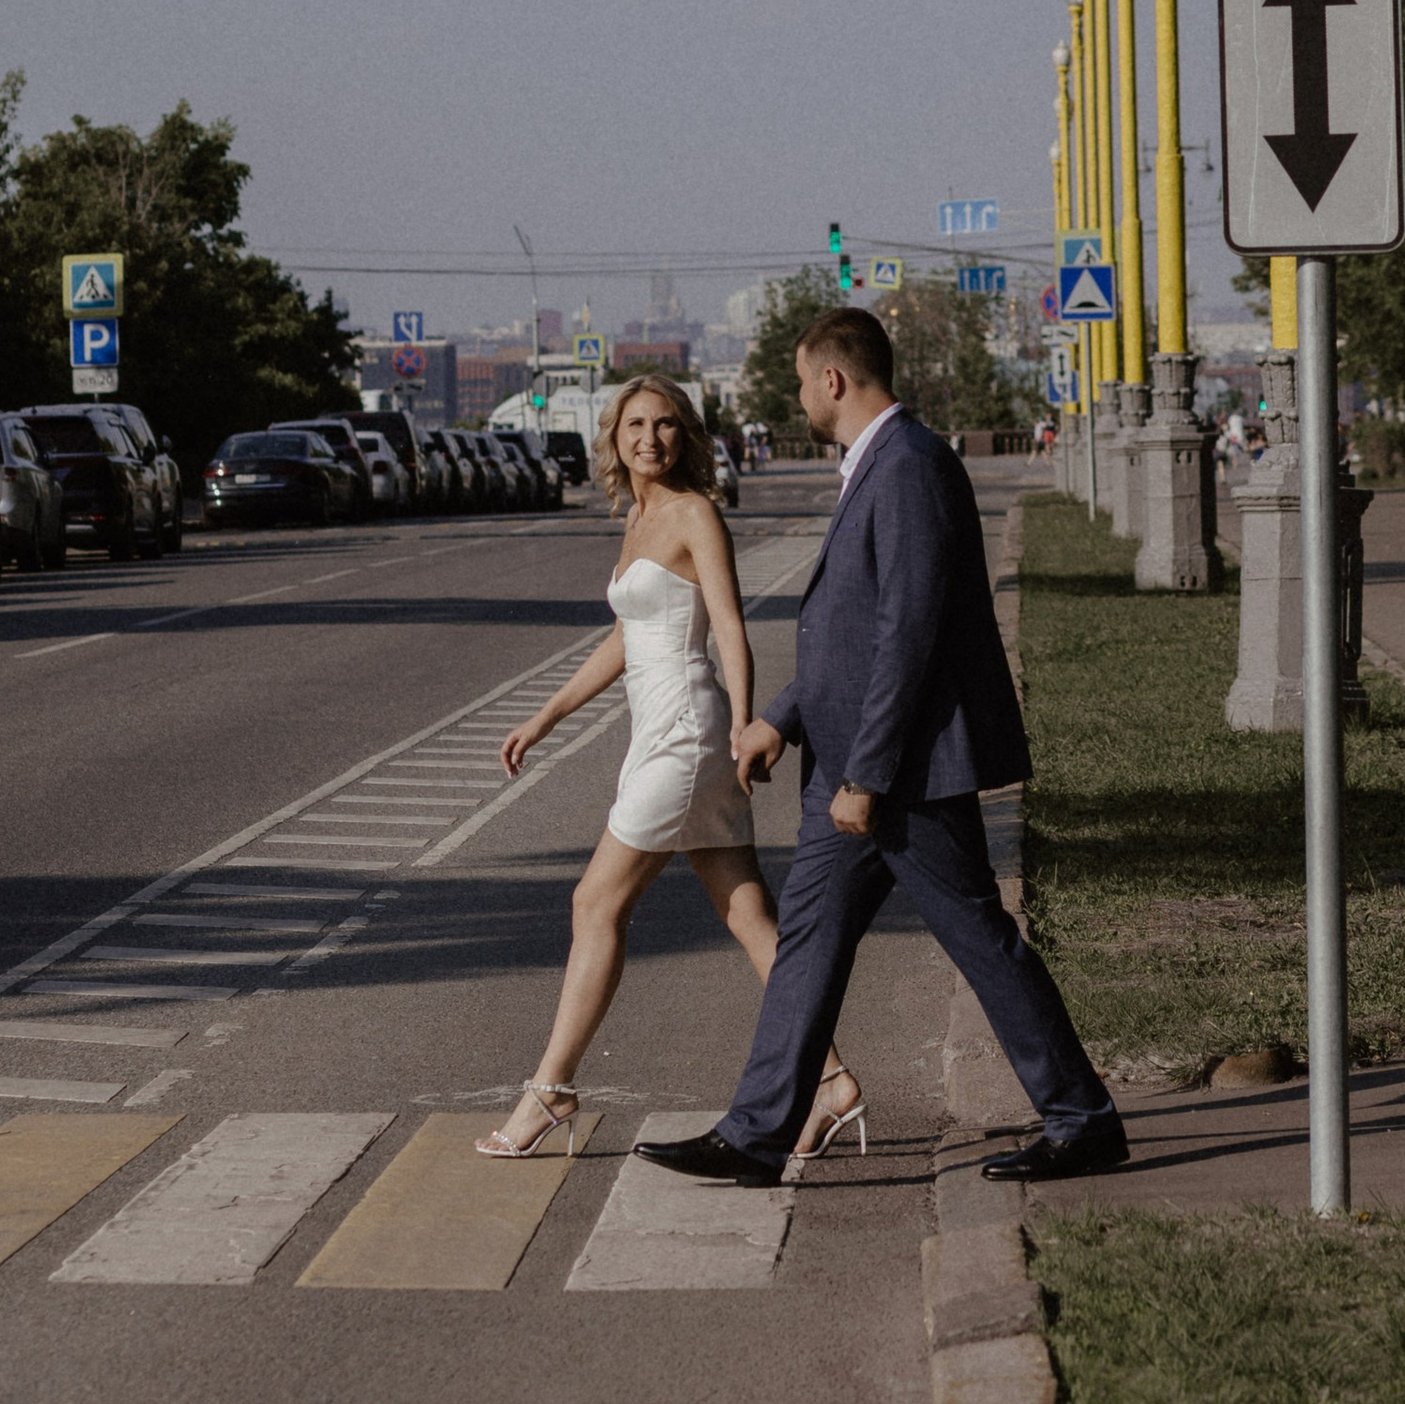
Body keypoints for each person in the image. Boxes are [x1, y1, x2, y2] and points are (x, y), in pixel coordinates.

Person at [638, 306, 1126, 1192]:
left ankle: (1083, 1119)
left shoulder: (906, 468)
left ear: (833, 380)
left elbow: (908, 635)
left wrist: (866, 774)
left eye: (799, 381)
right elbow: (849, 638)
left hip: (899, 772)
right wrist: (779, 720)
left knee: (980, 938)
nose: (797, 397)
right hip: (853, 766)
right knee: (807, 948)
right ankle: (756, 1134)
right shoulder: (878, 465)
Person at [473, 375, 862, 1163]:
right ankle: (831, 1080)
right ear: (614, 437)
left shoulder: (692, 513)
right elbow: (628, 638)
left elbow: (727, 626)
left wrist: (748, 728)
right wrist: (544, 718)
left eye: (666, 426)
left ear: (685, 436)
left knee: (594, 903)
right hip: (656, 734)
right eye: (636, 425)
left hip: (689, 737)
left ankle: (550, 1088)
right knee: (749, 917)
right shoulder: (640, 515)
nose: (651, 438)